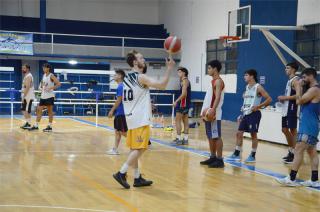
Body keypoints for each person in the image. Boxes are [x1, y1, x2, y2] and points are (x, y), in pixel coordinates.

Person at [113, 50, 175, 189]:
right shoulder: (141, 77)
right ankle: (121, 173)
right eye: (141, 58)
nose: (144, 59)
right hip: (140, 119)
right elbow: (162, 85)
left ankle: (137, 177)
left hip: (131, 118)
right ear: (135, 62)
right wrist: (169, 69)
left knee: (135, 148)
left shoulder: (127, 78)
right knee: (142, 147)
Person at [276, 68, 320, 187]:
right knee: (312, 152)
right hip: (310, 124)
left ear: (311, 76)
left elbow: (299, 101)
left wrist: (299, 87)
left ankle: (292, 178)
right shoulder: (313, 89)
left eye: (305, 77)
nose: (303, 80)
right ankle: (314, 180)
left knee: (298, 149)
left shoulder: (314, 89)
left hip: (309, 125)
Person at [227, 69, 272, 163]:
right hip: (246, 114)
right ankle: (236, 153)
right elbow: (247, 100)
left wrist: (258, 106)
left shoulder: (258, 87)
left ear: (252, 76)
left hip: (254, 114)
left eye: (246, 75)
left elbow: (269, 99)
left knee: (253, 134)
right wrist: (243, 109)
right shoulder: (247, 87)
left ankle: (252, 155)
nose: (244, 77)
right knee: (239, 133)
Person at [199, 60, 225, 168]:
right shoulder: (213, 81)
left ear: (215, 69)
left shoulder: (218, 81)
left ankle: (220, 160)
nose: (208, 70)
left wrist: (213, 110)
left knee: (216, 136)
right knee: (210, 136)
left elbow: (218, 97)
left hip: (214, 112)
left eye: (209, 68)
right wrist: (204, 112)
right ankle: (212, 157)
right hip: (208, 111)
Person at [277, 62, 300, 163]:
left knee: (293, 130)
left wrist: (285, 97)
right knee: (284, 129)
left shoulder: (296, 80)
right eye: (285, 68)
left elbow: (299, 95)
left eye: (288, 68)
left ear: (293, 70)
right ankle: (291, 150)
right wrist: (283, 99)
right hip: (286, 108)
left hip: (292, 107)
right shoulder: (289, 81)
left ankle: (295, 153)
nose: (285, 70)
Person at [29, 63, 61, 132]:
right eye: (43, 68)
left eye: (44, 68)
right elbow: (42, 84)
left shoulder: (51, 75)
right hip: (43, 96)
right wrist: (41, 87)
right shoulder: (44, 75)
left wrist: (51, 88)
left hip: (50, 96)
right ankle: (36, 125)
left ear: (48, 68)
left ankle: (49, 126)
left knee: (50, 112)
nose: (43, 69)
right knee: (38, 110)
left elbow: (58, 84)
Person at [107, 70, 128, 155]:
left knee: (123, 132)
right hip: (120, 112)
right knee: (117, 131)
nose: (114, 76)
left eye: (115, 75)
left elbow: (119, 100)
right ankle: (115, 149)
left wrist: (112, 110)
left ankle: (137, 144)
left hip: (121, 113)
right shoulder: (123, 86)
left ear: (120, 76)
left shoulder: (120, 87)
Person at [172, 67, 191, 145]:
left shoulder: (184, 81)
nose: (178, 73)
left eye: (179, 72)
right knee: (185, 121)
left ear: (184, 73)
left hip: (183, 103)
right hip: (186, 104)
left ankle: (179, 139)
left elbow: (184, 94)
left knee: (177, 121)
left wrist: (176, 101)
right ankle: (185, 139)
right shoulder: (186, 81)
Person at [20, 64, 35, 129]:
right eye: (22, 68)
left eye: (24, 68)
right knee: (24, 110)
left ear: (27, 69)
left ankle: (28, 123)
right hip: (26, 95)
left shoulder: (29, 76)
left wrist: (24, 96)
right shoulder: (27, 76)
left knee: (25, 110)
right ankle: (28, 123)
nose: (22, 69)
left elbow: (28, 87)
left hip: (28, 96)